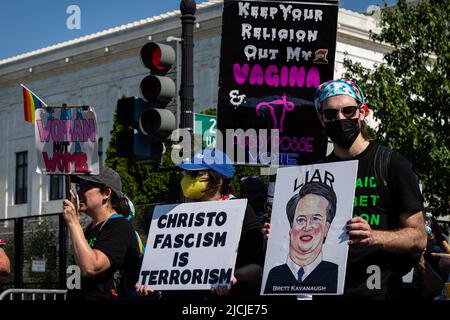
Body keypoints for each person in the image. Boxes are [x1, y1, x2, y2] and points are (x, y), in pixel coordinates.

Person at [313, 78, 427, 299]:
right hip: (325, 289)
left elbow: (418, 237)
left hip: (377, 293)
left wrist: (373, 236)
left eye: (348, 111)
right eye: (331, 114)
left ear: (363, 112)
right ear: (321, 118)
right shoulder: (317, 171)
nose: (341, 118)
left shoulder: (392, 164)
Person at [136, 149, 264, 298]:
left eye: (195, 174)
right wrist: (150, 280)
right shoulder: (178, 214)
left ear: (219, 178)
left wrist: (233, 276)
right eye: (186, 174)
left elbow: (257, 267)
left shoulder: (241, 210)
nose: (187, 179)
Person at [63, 167, 141, 300]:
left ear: (106, 193)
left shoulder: (119, 226)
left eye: (86, 186)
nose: (78, 191)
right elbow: (75, 277)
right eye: (78, 186)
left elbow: (91, 267)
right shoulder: (88, 230)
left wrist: (74, 223)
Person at [264, 182, 338, 294]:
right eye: (301, 220)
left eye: (316, 218)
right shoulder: (273, 274)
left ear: (326, 228)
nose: (307, 227)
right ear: (290, 227)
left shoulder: (336, 273)